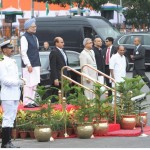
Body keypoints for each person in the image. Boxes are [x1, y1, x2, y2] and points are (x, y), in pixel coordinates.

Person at [0, 40, 26, 148]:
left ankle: (8, 141)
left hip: (14, 93)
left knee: (11, 118)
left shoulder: (12, 61)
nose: (12, 49)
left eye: (12, 47)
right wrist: (19, 82)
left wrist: (20, 80)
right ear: (4, 50)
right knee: (7, 118)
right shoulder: (2, 62)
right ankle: (5, 142)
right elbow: (4, 80)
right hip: (8, 94)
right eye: (9, 48)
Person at [20, 18, 41, 108]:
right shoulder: (24, 37)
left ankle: (32, 101)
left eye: (35, 26)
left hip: (36, 63)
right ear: (27, 28)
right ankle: (26, 102)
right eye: (33, 27)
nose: (35, 28)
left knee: (35, 83)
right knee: (28, 84)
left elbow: (36, 51)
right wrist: (28, 64)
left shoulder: (35, 37)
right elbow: (23, 52)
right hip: (29, 65)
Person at [49, 37, 69, 103]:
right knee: (56, 94)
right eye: (61, 42)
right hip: (58, 76)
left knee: (65, 93)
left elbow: (66, 65)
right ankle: (54, 108)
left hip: (65, 75)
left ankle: (64, 106)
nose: (63, 43)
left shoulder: (63, 51)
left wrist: (69, 77)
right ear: (56, 43)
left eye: (63, 42)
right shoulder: (53, 52)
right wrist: (55, 78)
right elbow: (53, 66)